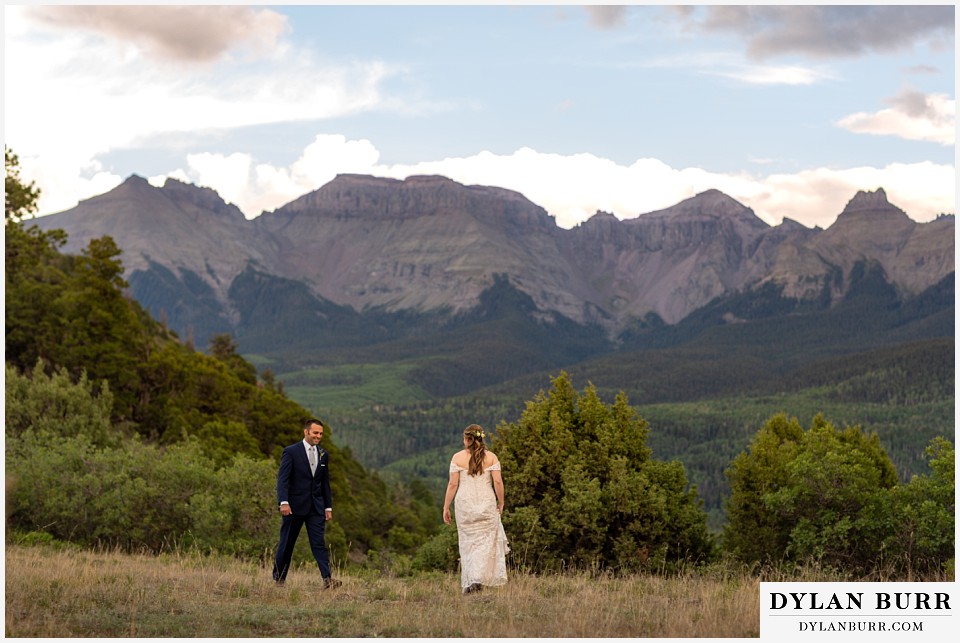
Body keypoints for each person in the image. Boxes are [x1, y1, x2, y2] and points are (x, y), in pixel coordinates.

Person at [272, 418, 341, 588]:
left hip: (316, 508)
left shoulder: (324, 454)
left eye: (321, 434)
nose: (318, 436)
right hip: (293, 507)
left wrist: (328, 507)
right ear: (306, 432)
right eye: (315, 433)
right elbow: (283, 480)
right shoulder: (291, 452)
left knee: (319, 544)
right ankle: (279, 579)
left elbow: (324, 483)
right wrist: (284, 502)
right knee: (287, 543)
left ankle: (327, 579)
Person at [442, 424, 509, 595]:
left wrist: (446, 507)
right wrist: (501, 502)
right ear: (481, 438)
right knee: (485, 543)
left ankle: (472, 580)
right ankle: (477, 580)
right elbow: (498, 482)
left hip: (464, 505)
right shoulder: (492, 457)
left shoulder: (457, 458)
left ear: (467, 439)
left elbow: (452, 485)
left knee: (468, 544)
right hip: (486, 503)